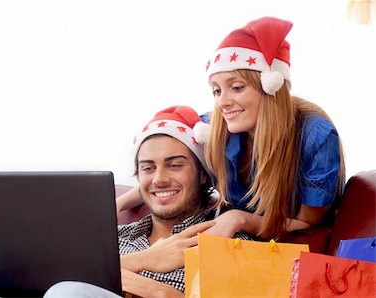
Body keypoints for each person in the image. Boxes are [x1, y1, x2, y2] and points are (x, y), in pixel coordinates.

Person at [0, 105, 253, 297]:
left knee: (69, 292)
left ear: (201, 174)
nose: (159, 178)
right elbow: (41, 278)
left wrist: (145, 286)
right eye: (147, 168)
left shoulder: (221, 235)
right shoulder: (113, 239)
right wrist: (143, 262)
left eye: (174, 164)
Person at [118, 16, 346, 241]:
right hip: (233, 242)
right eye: (216, 91)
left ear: (271, 87)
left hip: (286, 246)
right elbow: (166, 174)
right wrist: (115, 206)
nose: (222, 102)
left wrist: (240, 218)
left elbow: (307, 222)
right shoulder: (213, 126)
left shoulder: (316, 137)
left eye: (236, 87)